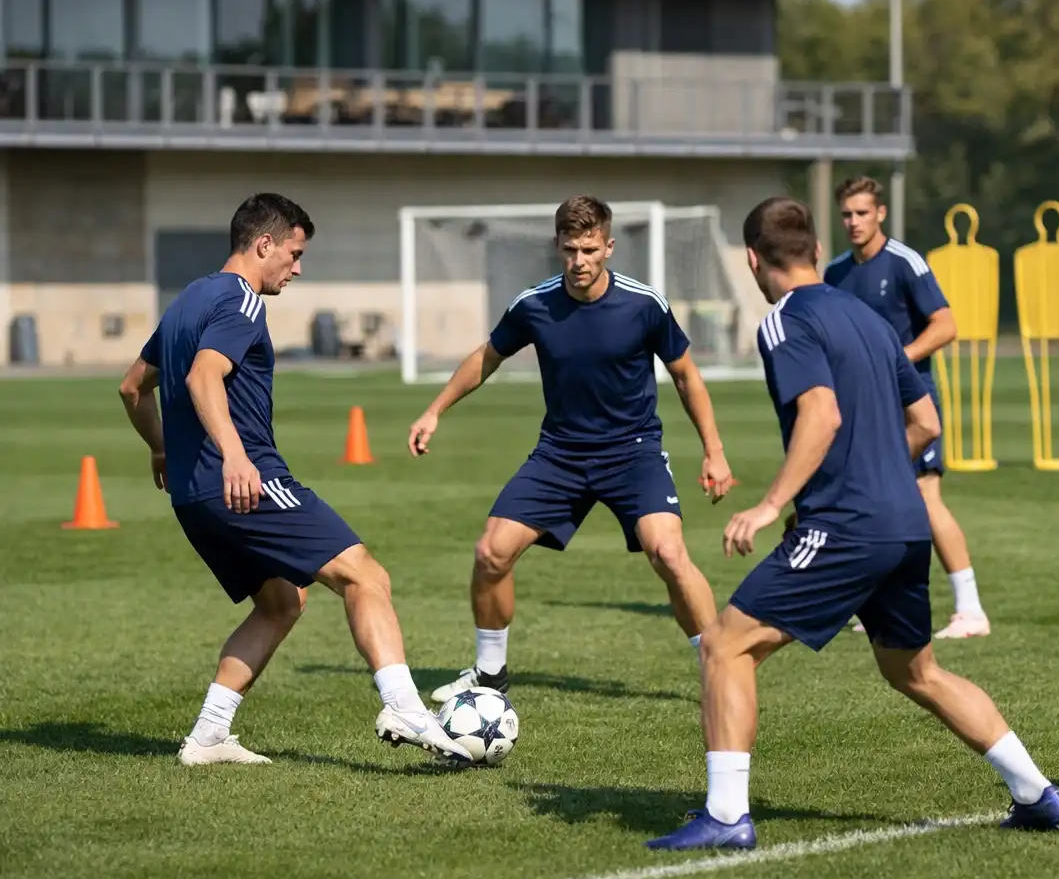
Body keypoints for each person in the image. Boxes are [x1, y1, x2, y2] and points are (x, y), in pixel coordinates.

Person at [646, 197, 1059, 851]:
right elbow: (925, 421)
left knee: (725, 647)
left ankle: (726, 817)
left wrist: (770, 504)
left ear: (753, 260)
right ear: (817, 250)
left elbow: (822, 415)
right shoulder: (870, 319)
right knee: (915, 671)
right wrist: (874, 472)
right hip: (905, 523)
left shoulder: (785, 322)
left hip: (847, 526)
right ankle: (1038, 794)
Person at [117, 193, 470, 767]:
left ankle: (209, 735)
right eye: (295, 253)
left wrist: (160, 447)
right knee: (366, 576)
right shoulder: (241, 301)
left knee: (282, 601)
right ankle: (405, 707)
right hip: (243, 483)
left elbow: (133, 387)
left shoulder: (187, 300)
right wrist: (235, 456)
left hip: (191, 495)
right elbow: (205, 376)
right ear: (264, 245)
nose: (297, 268)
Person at [408, 195, 733, 703]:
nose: (579, 261)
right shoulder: (534, 304)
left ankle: (720, 667)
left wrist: (714, 450)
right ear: (557, 246)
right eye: (569, 250)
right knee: (491, 553)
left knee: (669, 553)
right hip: (560, 455)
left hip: (633, 452)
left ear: (609, 246)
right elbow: (487, 357)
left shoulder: (644, 303)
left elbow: (687, 376)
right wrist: (434, 410)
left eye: (589, 249)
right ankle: (490, 676)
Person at [824, 176, 990, 639]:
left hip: (911, 403)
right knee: (864, 497)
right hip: (862, 406)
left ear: (880, 213)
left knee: (924, 496)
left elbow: (946, 326)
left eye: (862, 212)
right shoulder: (835, 273)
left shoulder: (904, 262)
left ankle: (970, 610)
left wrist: (895, 360)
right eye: (846, 214)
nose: (853, 222)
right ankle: (872, 605)